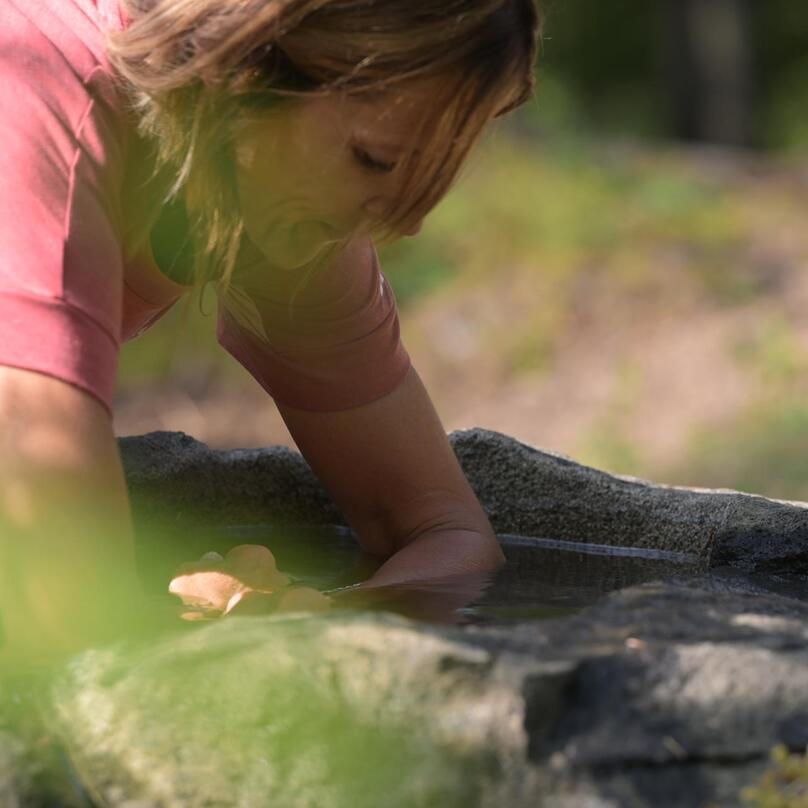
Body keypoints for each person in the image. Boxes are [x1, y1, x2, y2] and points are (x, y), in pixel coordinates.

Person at [0, 0, 541, 660]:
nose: (403, 223)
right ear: (250, 63)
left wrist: (302, 624)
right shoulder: (33, 87)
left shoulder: (268, 197)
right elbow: (67, 595)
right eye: (374, 159)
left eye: (428, 181)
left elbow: (446, 536)